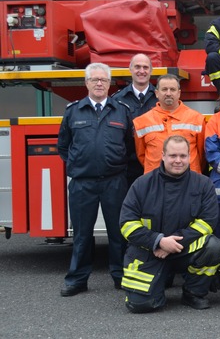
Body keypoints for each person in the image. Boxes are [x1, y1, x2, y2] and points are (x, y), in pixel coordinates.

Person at [119, 135, 220, 312]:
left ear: (189, 157)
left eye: (183, 156)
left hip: (184, 250)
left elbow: (207, 222)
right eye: (173, 156)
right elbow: (127, 224)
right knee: (141, 306)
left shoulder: (203, 184)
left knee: (213, 246)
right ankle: (156, 287)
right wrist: (158, 241)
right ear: (163, 156)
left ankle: (193, 293)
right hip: (150, 252)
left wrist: (171, 244)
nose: (178, 161)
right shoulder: (142, 184)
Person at [57, 62, 133, 296]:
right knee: (81, 235)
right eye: (94, 80)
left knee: (118, 233)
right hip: (83, 183)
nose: (99, 83)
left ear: (110, 84)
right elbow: (63, 146)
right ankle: (77, 279)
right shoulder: (73, 111)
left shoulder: (121, 110)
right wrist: (79, 166)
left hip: (114, 181)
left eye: (104, 80)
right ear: (87, 83)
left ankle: (121, 277)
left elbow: (130, 146)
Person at [133, 74, 206, 174]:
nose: (168, 93)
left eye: (172, 89)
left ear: (179, 93)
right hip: (155, 181)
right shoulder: (141, 121)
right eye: (164, 89)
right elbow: (141, 155)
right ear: (157, 93)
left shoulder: (197, 119)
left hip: (189, 180)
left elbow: (202, 155)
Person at [113, 53, 158, 186]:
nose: (141, 71)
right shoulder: (118, 99)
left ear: (151, 70)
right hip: (127, 166)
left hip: (153, 165)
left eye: (145, 67)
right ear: (130, 69)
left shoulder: (160, 98)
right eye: (137, 67)